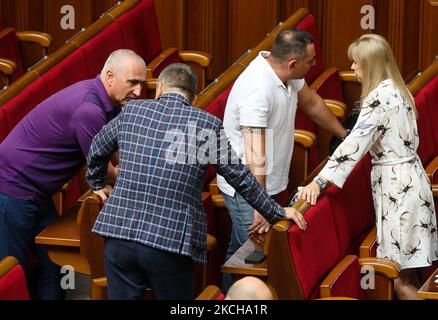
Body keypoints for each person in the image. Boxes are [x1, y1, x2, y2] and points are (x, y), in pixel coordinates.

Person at [86, 63, 307, 300]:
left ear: (160, 88)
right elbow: (240, 177)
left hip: (119, 235)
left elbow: (97, 150)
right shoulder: (207, 125)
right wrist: (275, 211)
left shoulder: (131, 112)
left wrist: (97, 182)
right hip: (169, 242)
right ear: (194, 97)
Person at [299, 34, 438, 300]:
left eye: (356, 63)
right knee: (409, 274)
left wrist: (319, 181)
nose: (351, 69)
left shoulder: (378, 99)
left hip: (397, 190)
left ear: (371, 64)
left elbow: (354, 145)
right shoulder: (398, 88)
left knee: (396, 278)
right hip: (411, 180)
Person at [0, 49, 147, 299]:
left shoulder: (109, 103)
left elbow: (118, 154)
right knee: (12, 272)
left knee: (54, 266)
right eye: (133, 83)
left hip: (39, 192)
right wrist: (151, 182)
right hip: (12, 189)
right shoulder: (89, 109)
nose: (138, 92)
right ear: (110, 76)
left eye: (142, 84)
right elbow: (103, 169)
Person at [217, 27, 348, 290]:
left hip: (267, 182)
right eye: (310, 62)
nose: (313, 65)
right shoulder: (256, 89)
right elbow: (256, 156)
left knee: (239, 253)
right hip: (247, 188)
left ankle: (224, 297)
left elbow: (311, 103)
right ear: (292, 63)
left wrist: (345, 136)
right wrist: (262, 206)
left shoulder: (288, 73)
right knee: (260, 261)